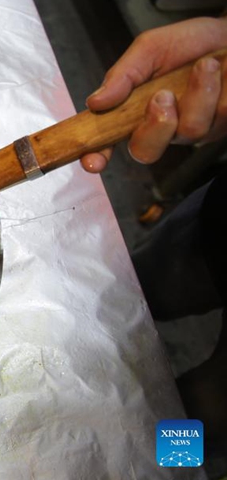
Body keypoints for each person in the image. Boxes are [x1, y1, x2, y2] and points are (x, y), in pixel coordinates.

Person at [80, 16, 227, 442]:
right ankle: (102, 341)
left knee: (209, 417)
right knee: (137, 289)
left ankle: (160, 464)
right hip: (218, 226)